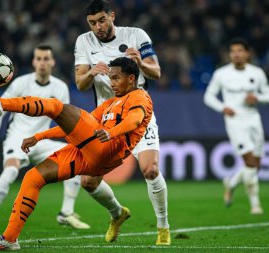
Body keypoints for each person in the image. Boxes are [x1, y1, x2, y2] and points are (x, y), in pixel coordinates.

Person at [0, 57, 152, 251]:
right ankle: (10, 239)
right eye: (110, 78)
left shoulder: (140, 97)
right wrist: (39, 136)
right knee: (33, 177)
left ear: (131, 78)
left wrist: (111, 132)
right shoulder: (111, 103)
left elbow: (134, 120)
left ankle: (1, 103)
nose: (111, 83)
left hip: (107, 147)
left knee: (56, 107)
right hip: (90, 156)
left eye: (116, 78)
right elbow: (73, 128)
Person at [74, 0, 170, 245]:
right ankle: (117, 214)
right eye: (92, 23)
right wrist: (91, 72)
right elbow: (80, 84)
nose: (97, 27)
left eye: (101, 20)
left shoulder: (136, 35)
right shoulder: (84, 42)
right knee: (88, 182)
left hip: (139, 111)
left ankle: (163, 228)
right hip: (105, 118)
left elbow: (156, 72)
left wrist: (140, 63)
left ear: (112, 16)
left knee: (151, 169)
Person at [0, 44, 89, 233]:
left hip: (40, 140)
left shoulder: (60, 87)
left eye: (46, 59)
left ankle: (66, 212)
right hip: (17, 137)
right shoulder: (21, 83)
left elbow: (66, 120)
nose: (42, 63)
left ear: (52, 62)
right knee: (11, 172)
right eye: (38, 59)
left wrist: (73, 140)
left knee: (77, 157)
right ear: (33, 62)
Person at [203, 37, 269, 214]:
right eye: (233, 51)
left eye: (240, 50)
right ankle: (255, 205)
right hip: (234, 121)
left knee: (255, 164)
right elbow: (208, 97)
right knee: (249, 161)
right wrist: (223, 107)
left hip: (253, 119)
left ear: (247, 54)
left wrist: (257, 99)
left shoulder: (257, 73)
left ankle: (231, 183)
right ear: (229, 54)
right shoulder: (222, 74)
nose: (236, 54)